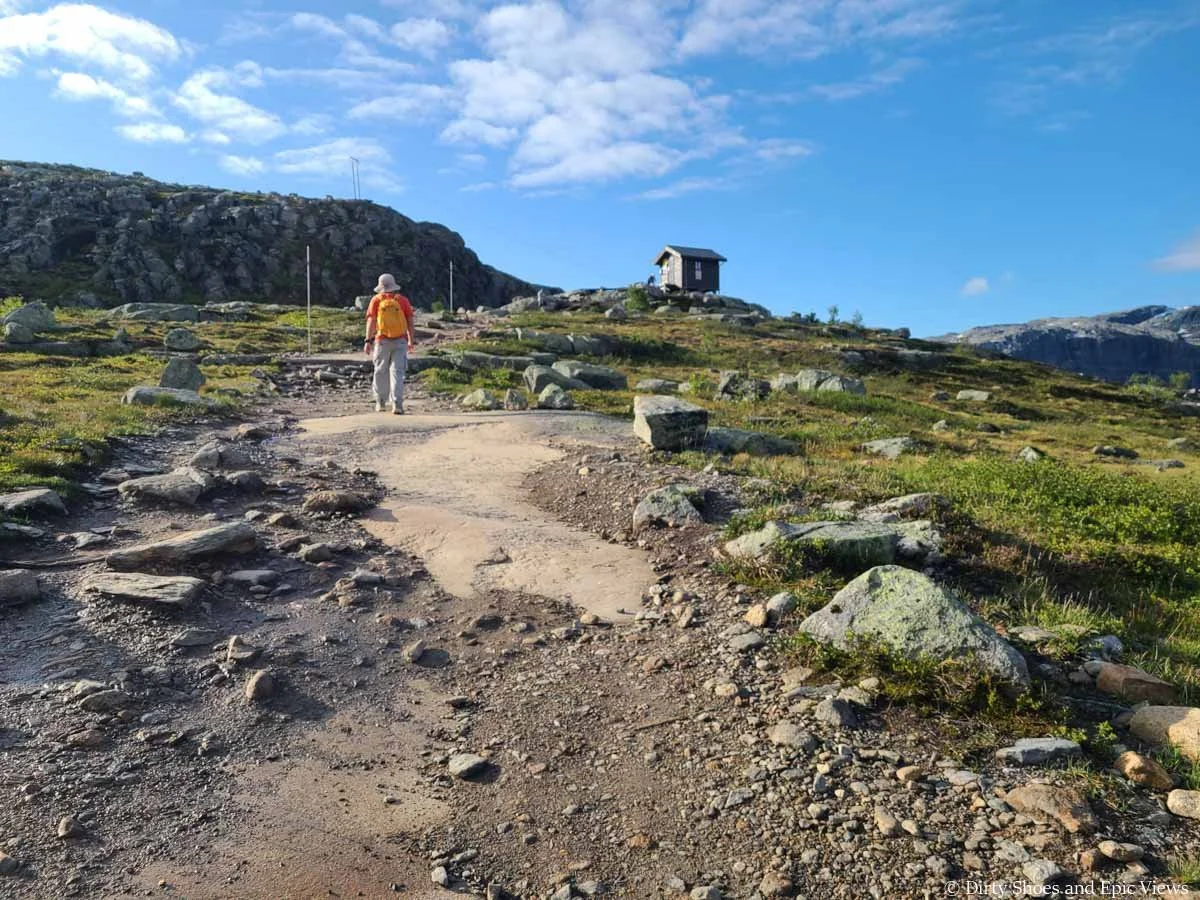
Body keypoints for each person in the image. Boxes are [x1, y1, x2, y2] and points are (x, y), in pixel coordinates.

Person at [363, 273, 415, 414]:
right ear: (394, 285)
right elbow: (410, 322)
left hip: (382, 340)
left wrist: (368, 340)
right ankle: (397, 404)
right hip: (400, 341)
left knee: (380, 371)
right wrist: (411, 340)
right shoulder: (403, 300)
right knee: (397, 372)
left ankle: (380, 402)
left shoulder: (376, 300)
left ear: (380, 286)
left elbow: (371, 321)